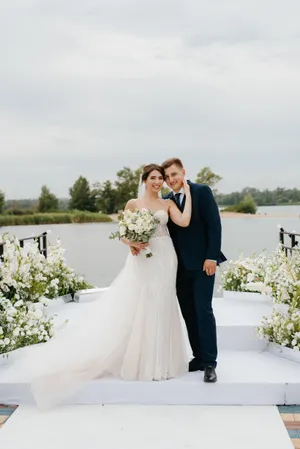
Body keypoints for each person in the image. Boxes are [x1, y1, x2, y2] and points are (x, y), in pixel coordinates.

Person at [8, 164, 192, 410]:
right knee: (143, 302)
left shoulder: (168, 204)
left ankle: (163, 363)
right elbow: (123, 233)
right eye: (153, 178)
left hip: (165, 257)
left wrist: (188, 193)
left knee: (163, 302)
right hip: (143, 258)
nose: (158, 182)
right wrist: (132, 243)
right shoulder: (132, 204)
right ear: (145, 180)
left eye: (161, 178)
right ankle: (142, 362)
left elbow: (185, 221)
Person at [162, 158, 226, 383]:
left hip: (202, 265)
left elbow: (214, 225)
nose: (171, 180)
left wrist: (211, 256)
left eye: (174, 175)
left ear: (183, 172)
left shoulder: (201, 192)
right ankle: (198, 357)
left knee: (203, 310)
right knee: (188, 312)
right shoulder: (166, 200)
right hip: (178, 268)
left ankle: (210, 363)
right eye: (167, 177)